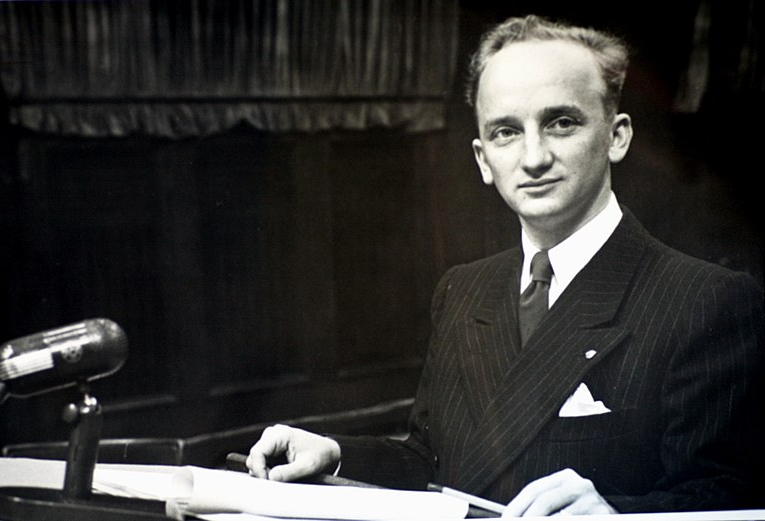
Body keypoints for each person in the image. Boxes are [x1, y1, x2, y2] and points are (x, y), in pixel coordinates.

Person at [245, 14, 764, 516]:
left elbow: (726, 497)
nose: (533, 158)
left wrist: (617, 517)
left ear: (616, 136)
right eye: (506, 132)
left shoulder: (706, 301)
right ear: (482, 160)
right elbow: (434, 463)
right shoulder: (464, 290)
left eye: (561, 123)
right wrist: (337, 454)